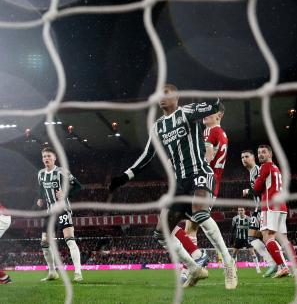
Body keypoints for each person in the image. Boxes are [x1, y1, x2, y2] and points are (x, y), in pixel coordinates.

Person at [109, 84, 237, 289]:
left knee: (200, 214)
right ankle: (194, 268)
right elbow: (147, 155)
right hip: (180, 183)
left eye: (165, 94)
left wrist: (212, 96)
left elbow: (213, 106)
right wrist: (126, 175)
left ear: (176, 97)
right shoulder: (158, 126)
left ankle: (228, 263)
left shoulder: (187, 112)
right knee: (161, 232)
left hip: (200, 173)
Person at [176, 103, 227, 282]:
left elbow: (207, 157)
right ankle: (192, 266)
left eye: (210, 113)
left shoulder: (212, 133)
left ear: (219, 115)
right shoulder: (216, 133)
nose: (205, 115)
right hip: (208, 184)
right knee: (190, 228)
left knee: (182, 226)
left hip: (202, 183)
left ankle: (191, 267)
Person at [251, 144, 297, 278]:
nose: (260, 155)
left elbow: (257, 188)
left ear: (270, 154)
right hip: (281, 207)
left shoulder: (265, 167)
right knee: (284, 239)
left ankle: (282, 266)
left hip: (270, 206)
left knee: (267, 237)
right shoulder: (276, 168)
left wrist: (252, 187)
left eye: (263, 152)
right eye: (258, 153)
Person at [36, 147, 83, 282]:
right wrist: (40, 198)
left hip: (63, 209)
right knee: (44, 242)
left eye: (49, 156)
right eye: (44, 156)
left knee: (69, 240)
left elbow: (78, 186)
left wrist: (65, 193)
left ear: (54, 158)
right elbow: (40, 187)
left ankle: (78, 273)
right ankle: (52, 273)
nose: (46, 158)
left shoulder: (61, 171)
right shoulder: (41, 174)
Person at [240, 149, 277, 276]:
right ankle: (278, 263)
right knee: (264, 237)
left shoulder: (257, 170)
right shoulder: (252, 172)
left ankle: (275, 263)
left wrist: (248, 191)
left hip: (262, 207)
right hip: (259, 208)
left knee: (256, 237)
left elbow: (260, 188)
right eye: (242, 157)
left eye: (246, 156)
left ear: (253, 157)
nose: (244, 159)